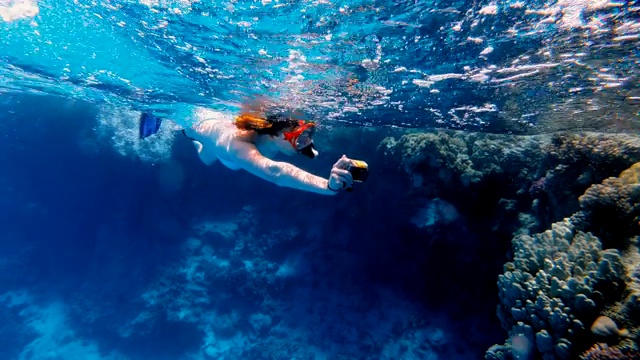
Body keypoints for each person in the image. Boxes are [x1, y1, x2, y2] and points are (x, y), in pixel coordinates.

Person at [139, 109, 354, 195]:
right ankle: (159, 112)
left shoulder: (268, 141)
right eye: (300, 138)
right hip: (200, 127)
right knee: (206, 150)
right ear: (275, 136)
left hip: (225, 156)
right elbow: (276, 172)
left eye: (308, 136)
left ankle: (203, 145)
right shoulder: (238, 145)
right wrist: (327, 186)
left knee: (208, 158)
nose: (305, 144)